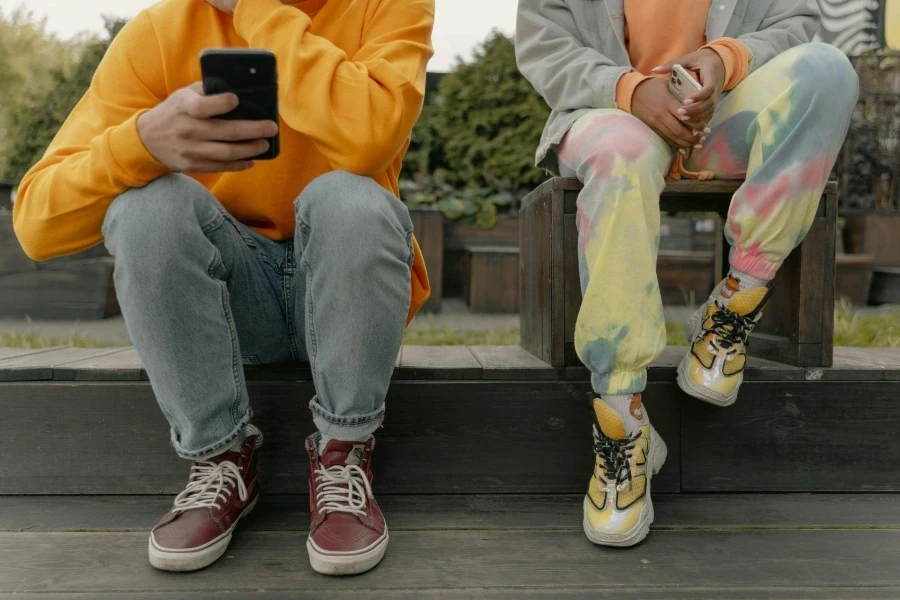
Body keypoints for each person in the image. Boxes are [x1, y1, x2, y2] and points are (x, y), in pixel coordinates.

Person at [13, 0, 434, 575]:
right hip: (231, 310)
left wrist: (257, 10)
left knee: (352, 198)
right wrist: (142, 145)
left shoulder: (388, 6)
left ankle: (345, 452)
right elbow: (37, 223)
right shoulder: (161, 32)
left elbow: (370, 137)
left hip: (346, 300)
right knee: (146, 209)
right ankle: (221, 459)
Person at [516, 0, 857, 547]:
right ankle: (623, 422)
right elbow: (544, 45)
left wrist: (727, 58)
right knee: (623, 154)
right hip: (609, 115)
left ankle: (735, 302)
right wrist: (629, 89)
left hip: (725, 120)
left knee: (829, 71)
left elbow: (796, 22)